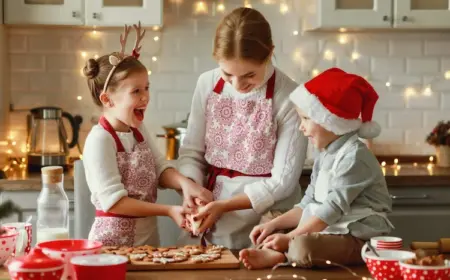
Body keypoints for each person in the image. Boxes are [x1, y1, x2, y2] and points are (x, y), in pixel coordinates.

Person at [177, 7, 308, 249]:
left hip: (268, 220)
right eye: (227, 74)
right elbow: (191, 153)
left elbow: (282, 182)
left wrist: (224, 206)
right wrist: (193, 190)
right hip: (209, 212)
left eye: (249, 75)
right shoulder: (206, 83)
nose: (238, 85)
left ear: (269, 54)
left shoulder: (289, 96)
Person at [239, 67, 394, 269]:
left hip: (360, 238)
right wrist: (273, 225)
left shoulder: (355, 157)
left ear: (330, 121)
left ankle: (282, 255)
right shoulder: (325, 154)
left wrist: (291, 237)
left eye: (305, 118)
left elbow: (330, 210)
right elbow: (308, 204)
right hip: (331, 228)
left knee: (303, 246)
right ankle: (278, 251)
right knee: (272, 220)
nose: (301, 127)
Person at [82, 22, 212, 247]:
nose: (145, 97)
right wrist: (168, 210)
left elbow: (160, 169)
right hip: (112, 247)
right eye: (136, 91)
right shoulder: (100, 140)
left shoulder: (138, 130)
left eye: (147, 88)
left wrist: (185, 184)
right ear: (107, 99)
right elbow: (114, 202)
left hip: (147, 242)